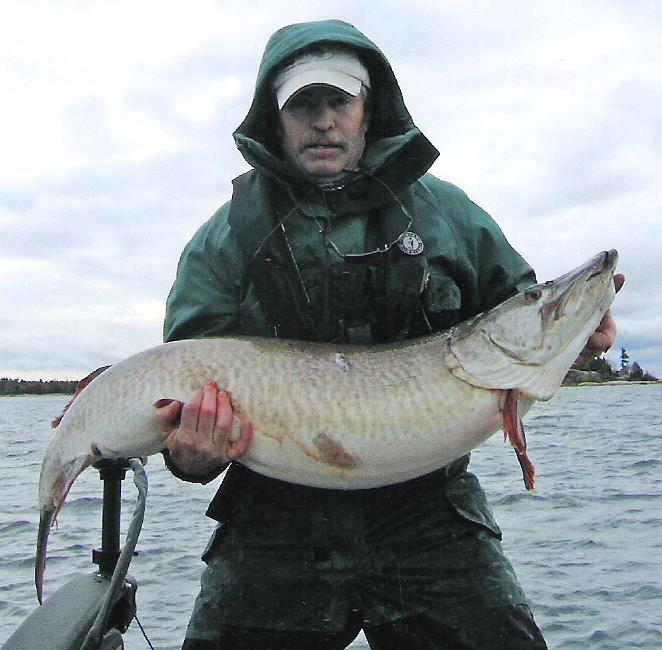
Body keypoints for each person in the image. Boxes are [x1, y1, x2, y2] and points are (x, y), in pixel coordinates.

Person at [156, 19, 622, 650]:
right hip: (274, 518)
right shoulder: (225, 240)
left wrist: (579, 339)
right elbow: (181, 390)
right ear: (275, 118)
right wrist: (191, 453)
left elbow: (518, 319)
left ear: (368, 112)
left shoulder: (449, 215)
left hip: (428, 512)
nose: (323, 121)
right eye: (303, 105)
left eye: (339, 102)